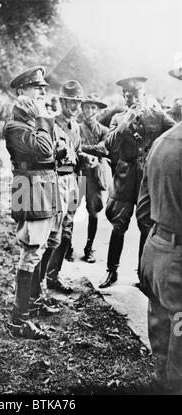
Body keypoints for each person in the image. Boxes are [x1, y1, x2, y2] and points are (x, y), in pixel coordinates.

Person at [82, 77, 175, 288]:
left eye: (135, 93)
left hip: (147, 180)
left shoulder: (157, 115)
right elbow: (109, 144)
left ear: (143, 92)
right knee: (118, 225)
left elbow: (175, 134)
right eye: (127, 94)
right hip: (123, 179)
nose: (131, 98)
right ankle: (111, 271)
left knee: (146, 227)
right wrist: (126, 122)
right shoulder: (118, 118)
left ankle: (143, 276)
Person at [4, 66, 62, 340]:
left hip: (44, 188)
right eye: (36, 88)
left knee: (42, 247)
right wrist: (41, 117)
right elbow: (44, 149)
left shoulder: (33, 122)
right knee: (31, 251)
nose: (42, 92)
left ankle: (33, 302)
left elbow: (51, 152)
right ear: (21, 93)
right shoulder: (15, 125)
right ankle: (19, 320)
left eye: (43, 88)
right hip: (30, 190)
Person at [136, 63, 182, 393]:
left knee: (161, 327)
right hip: (178, 258)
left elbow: (142, 206)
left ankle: (160, 381)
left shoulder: (162, 141)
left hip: (156, 247)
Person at [44, 80, 95, 294]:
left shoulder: (75, 126)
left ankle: (53, 276)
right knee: (51, 233)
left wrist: (86, 158)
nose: (75, 106)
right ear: (62, 101)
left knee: (67, 231)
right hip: (56, 181)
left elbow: (76, 150)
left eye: (77, 102)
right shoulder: (50, 123)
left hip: (73, 180)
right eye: (71, 102)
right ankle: (39, 281)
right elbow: (45, 155)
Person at [79, 93, 111, 263]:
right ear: (82, 109)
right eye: (87, 107)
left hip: (95, 176)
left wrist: (81, 148)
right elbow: (71, 146)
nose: (90, 110)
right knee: (69, 210)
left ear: (98, 111)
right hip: (76, 173)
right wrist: (91, 150)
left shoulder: (104, 131)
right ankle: (66, 246)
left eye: (93, 107)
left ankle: (89, 247)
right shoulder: (75, 128)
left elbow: (104, 150)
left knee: (94, 211)